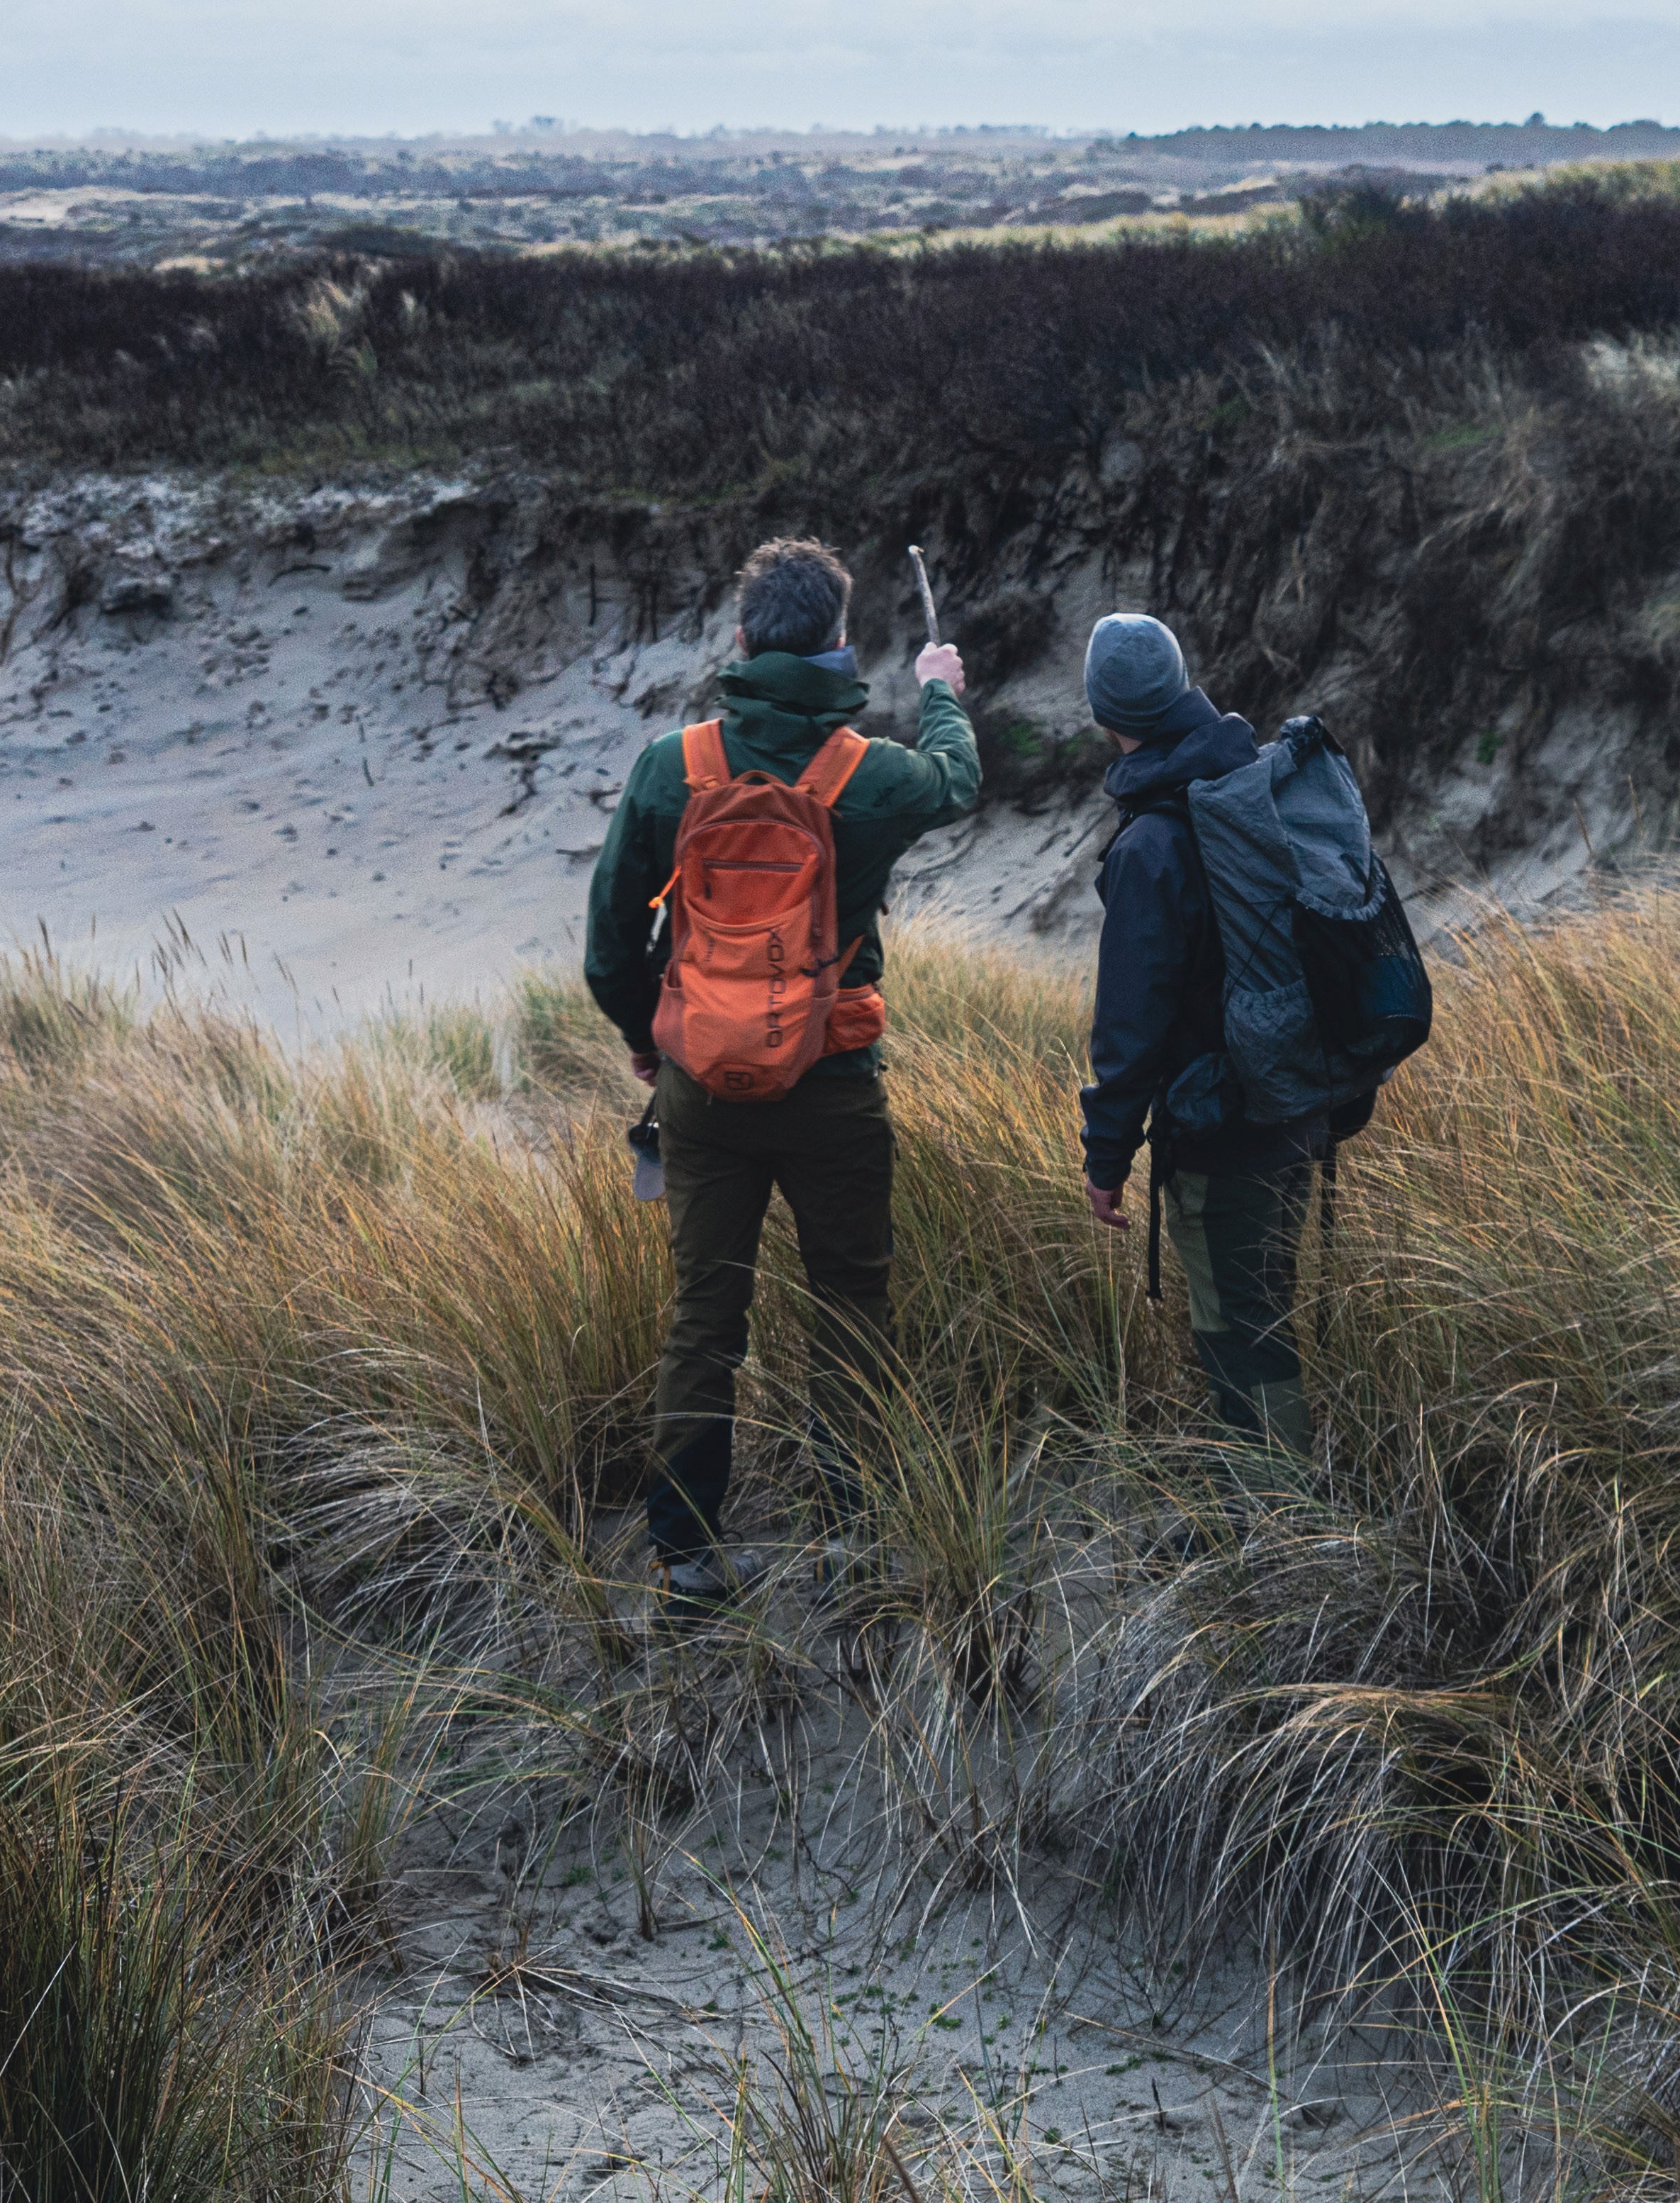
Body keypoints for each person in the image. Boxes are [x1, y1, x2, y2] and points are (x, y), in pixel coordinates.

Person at [585, 537, 978, 1607]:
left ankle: (686, 1556)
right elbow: (958, 779)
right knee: (850, 1303)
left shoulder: (673, 767)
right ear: (839, 643)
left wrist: (647, 1033)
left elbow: (610, 938)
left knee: (704, 1318)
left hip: (700, 1090)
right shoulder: (871, 775)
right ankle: (850, 1540)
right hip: (833, 1085)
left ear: (743, 639)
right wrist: (939, 690)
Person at [1074, 612, 1373, 1451]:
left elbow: (1128, 1029)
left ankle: (1276, 1507)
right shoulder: (1249, 787)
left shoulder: (1150, 844)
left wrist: (1105, 1158)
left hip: (1220, 1127)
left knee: (1239, 1328)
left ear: (1102, 712)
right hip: (1296, 1100)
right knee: (1263, 1305)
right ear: (1180, 687)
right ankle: (1271, 1488)